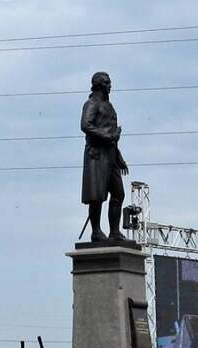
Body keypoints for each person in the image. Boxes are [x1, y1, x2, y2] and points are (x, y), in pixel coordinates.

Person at [80, 71, 129, 242]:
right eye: (107, 83)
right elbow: (85, 125)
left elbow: (112, 133)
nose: (110, 86)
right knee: (97, 196)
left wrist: (119, 156)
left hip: (110, 155)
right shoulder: (91, 103)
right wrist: (108, 136)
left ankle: (114, 231)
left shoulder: (109, 106)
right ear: (99, 85)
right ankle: (96, 231)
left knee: (118, 193)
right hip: (96, 155)